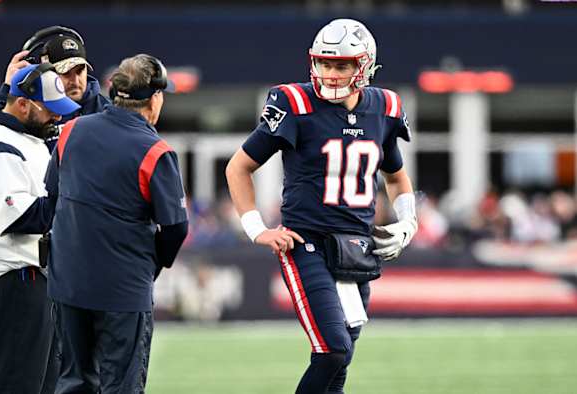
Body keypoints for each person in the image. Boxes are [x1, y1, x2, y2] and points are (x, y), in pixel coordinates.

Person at [226, 19, 417, 394]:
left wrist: (408, 223)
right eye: (325, 63)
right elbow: (239, 167)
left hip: (356, 247)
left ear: (365, 65)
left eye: (342, 64)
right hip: (306, 242)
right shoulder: (294, 103)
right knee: (332, 350)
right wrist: (257, 229)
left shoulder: (384, 107)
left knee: (340, 362)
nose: (330, 73)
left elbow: (395, 176)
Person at [45, 54, 188, 393]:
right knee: (121, 385)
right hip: (123, 288)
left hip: (67, 280)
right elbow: (176, 228)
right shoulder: (155, 151)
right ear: (154, 99)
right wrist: (151, 262)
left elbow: (51, 195)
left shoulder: (72, 131)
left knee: (72, 382)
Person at [0, 63, 80, 394]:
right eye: (50, 110)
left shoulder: (25, 138)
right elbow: (22, 219)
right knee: (17, 383)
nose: (56, 118)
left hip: (33, 274)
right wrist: (69, 182)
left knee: (45, 384)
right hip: (13, 274)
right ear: (23, 104)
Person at [0, 25, 110, 148]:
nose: (75, 80)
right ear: (46, 74)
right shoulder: (36, 110)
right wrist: (7, 88)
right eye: (65, 72)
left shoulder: (106, 110)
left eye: (80, 71)